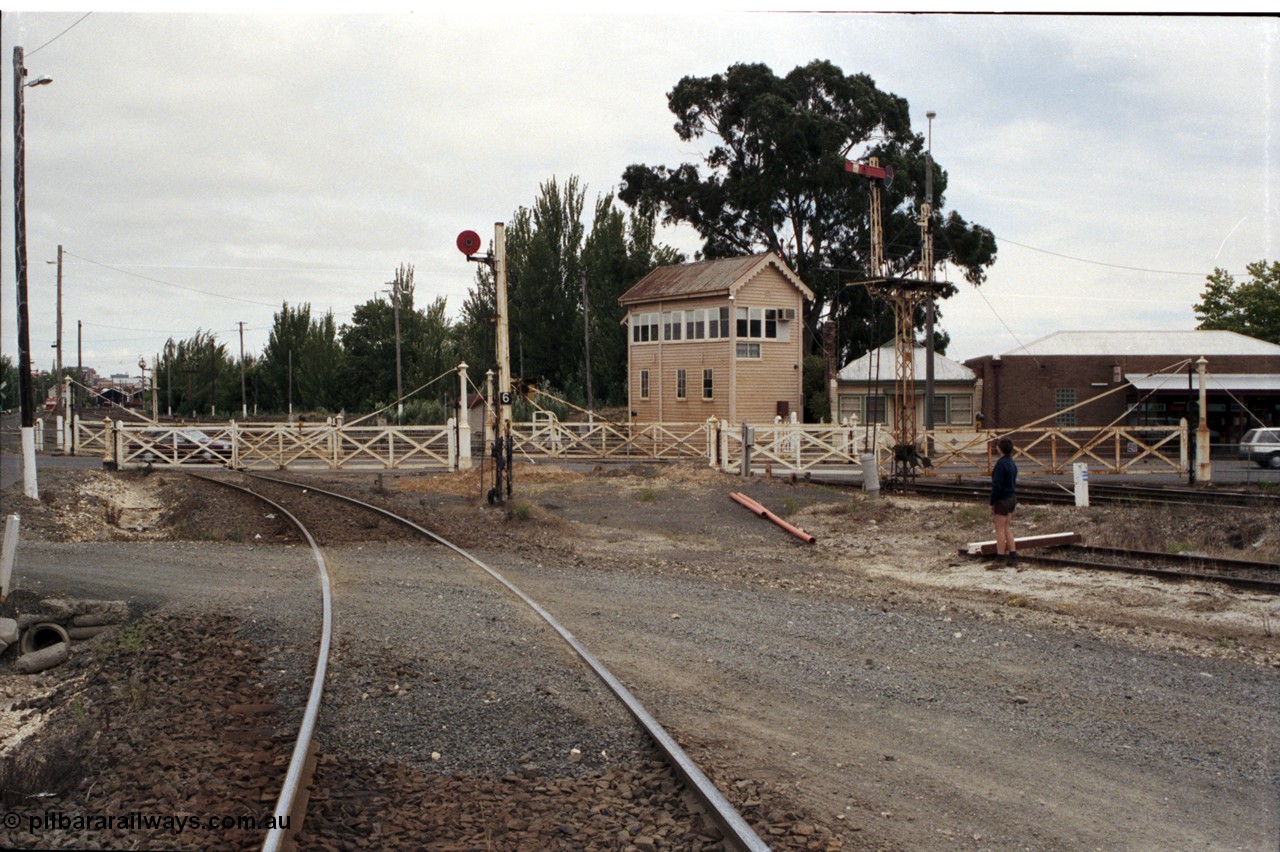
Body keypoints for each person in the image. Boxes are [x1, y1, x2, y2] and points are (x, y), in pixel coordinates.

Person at [989, 437, 1018, 564]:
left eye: (997, 446)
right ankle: (1013, 556)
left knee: (999, 529)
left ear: (1000, 449)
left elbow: (996, 486)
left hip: (1002, 499)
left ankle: (1000, 557)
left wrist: (992, 502)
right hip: (1012, 498)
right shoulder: (1012, 462)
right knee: (1007, 527)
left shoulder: (1001, 464)